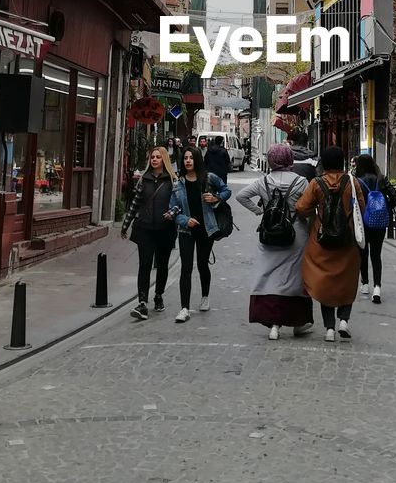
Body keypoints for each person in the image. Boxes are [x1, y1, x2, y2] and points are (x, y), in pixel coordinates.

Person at [236, 143, 314, 340]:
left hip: (270, 233)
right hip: (296, 233)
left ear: (270, 160)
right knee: (296, 277)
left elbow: (241, 196)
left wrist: (259, 211)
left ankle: (274, 324)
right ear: (289, 159)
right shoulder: (301, 182)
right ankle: (298, 322)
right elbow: (309, 208)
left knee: (269, 276)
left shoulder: (264, 181)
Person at [295, 145, 365, 342]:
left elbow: (301, 207)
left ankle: (329, 329)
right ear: (342, 161)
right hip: (347, 240)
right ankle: (344, 320)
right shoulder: (352, 182)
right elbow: (361, 205)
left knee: (325, 282)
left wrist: (316, 215)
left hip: (321, 240)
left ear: (323, 162)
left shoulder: (316, 183)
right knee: (346, 280)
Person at [168, 146, 232, 323]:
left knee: (203, 264)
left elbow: (227, 190)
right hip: (186, 230)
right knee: (186, 267)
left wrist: (216, 198)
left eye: (191, 157)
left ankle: (205, 296)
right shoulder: (178, 183)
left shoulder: (209, 178)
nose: (188, 160)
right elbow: (173, 209)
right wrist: (183, 220)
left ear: (197, 159)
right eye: (185, 158)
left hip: (206, 229)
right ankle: (184, 308)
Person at [122, 147, 176, 321]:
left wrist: (173, 213)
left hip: (165, 229)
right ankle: (142, 302)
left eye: (158, 157)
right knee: (144, 265)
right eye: (152, 157)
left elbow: (178, 203)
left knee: (162, 265)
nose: (154, 159)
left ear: (164, 160)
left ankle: (158, 294)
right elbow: (136, 204)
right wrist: (125, 224)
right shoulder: (143, 180)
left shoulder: (173, 181)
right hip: (145, 228)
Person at [353, 154, 396, 303]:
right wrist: (386, 208)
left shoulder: (357, 181)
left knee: (363, 253)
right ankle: (377, 287)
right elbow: (395, 196)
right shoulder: (381, 179)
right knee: (376, 255)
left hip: (363, 223)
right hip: (379, 222)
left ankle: (365, 284)